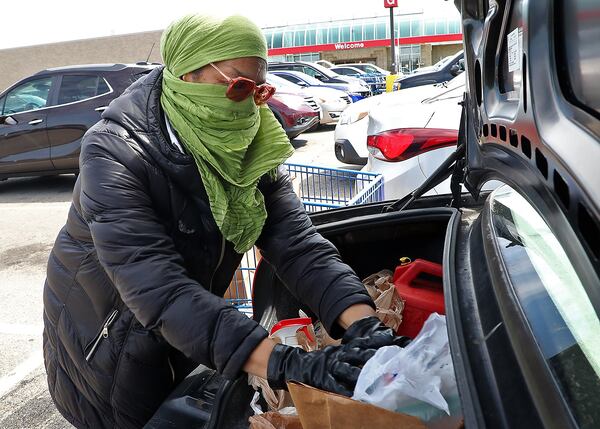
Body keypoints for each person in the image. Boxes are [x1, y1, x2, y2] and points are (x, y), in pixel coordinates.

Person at [43, 14, 407, 429]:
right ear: (185, 72)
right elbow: (160, 290)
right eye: (236, 86)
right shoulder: (115, 154)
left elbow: (298, 245)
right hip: (108, 342)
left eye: (259, 91)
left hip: (190, 326)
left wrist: (364, 326)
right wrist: (288, 363)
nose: (247, 105)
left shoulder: (251, 143)